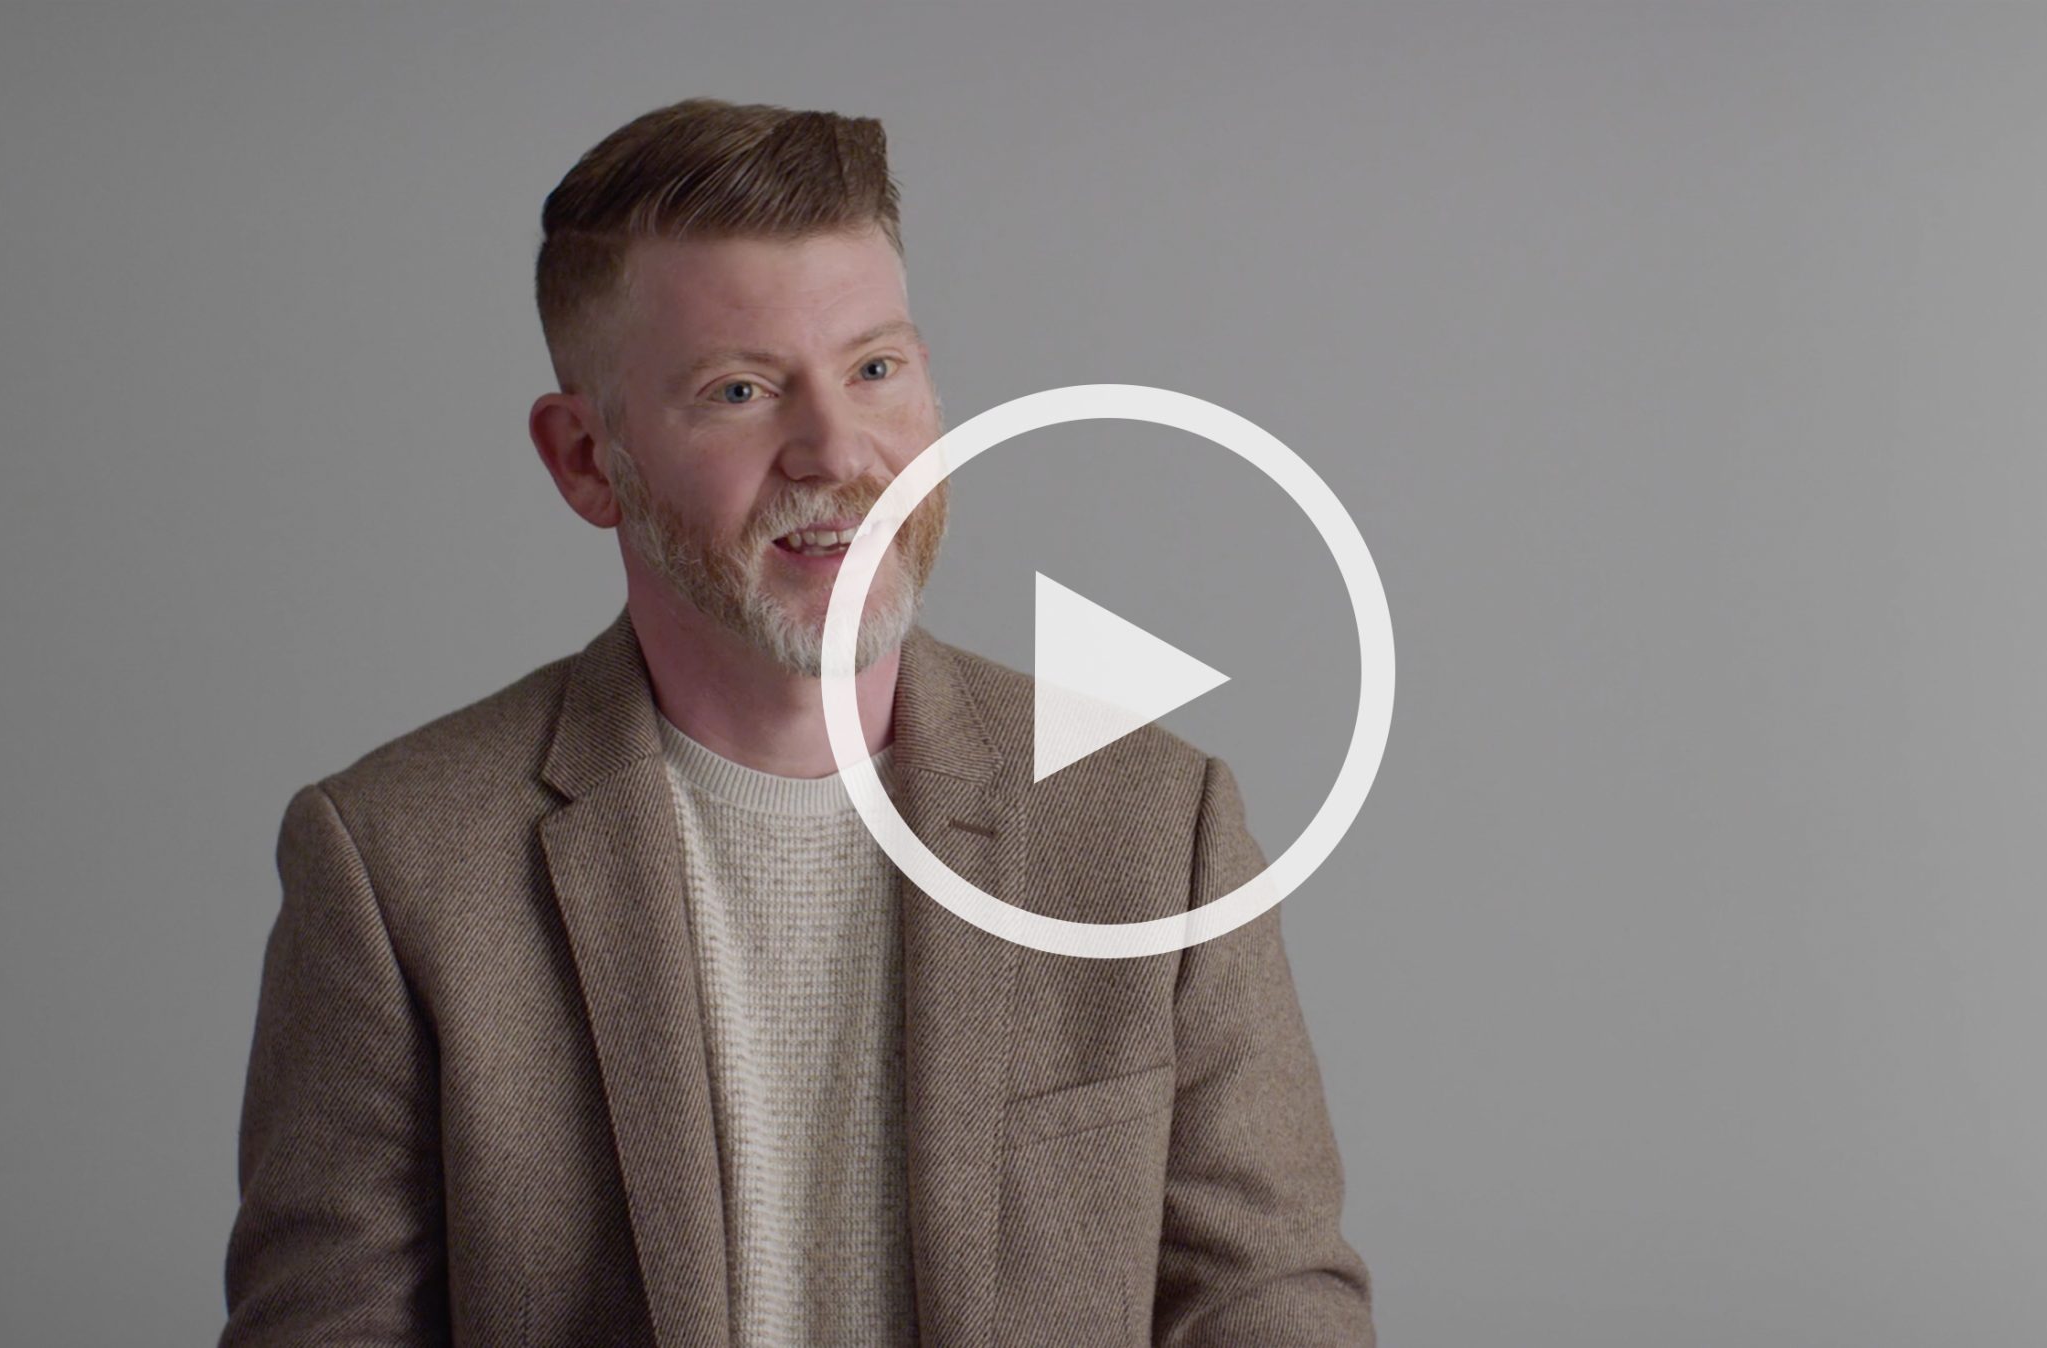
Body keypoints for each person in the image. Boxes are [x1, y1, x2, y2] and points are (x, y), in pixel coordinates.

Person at [220, 96, 1373, 1347]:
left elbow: (1268, 1300)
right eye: (740, 389)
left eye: (874, 369)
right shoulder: (393, 863)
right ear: (585, 460)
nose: (834, 450)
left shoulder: (1156, 822)